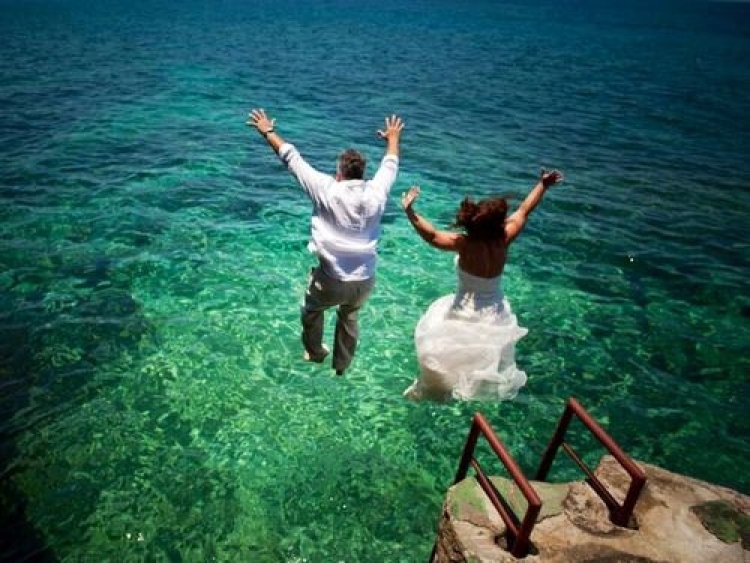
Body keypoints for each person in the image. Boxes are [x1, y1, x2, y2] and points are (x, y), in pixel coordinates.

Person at [248, 108, 404, 376]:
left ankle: (315, 352)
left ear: (339, 173)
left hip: (331, 279)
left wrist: (268, 132)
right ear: (362, 173)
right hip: (365, 280)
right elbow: (390, 165)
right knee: (349, 317)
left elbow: (291, 158)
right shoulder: (376, 192)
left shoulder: (326, 189)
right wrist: (393, 138)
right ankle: (342, 365)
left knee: (311, 310)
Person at [400, 169, 564, 401]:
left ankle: (434, 392)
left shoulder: (465, 244)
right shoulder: (504, 239)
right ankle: (462, 392)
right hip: (495, 315)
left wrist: (410, 212)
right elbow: (524, 211)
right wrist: (543, 185)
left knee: (443, 355)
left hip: (463, 312)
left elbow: (432, 236)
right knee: (477, 361)